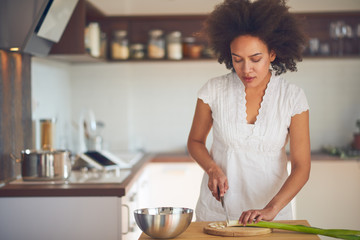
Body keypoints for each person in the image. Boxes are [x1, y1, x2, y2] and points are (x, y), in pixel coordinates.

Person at [187, 0, 311, 225]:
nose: (246, 69)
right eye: (237, 59)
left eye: (255, 59)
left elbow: (302, 167)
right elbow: (195, 141)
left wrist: (272, 209)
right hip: (217, 214)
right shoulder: (213, 90)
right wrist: (212, 169)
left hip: (272, 216)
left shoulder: (292, 97)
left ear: (272, 54)